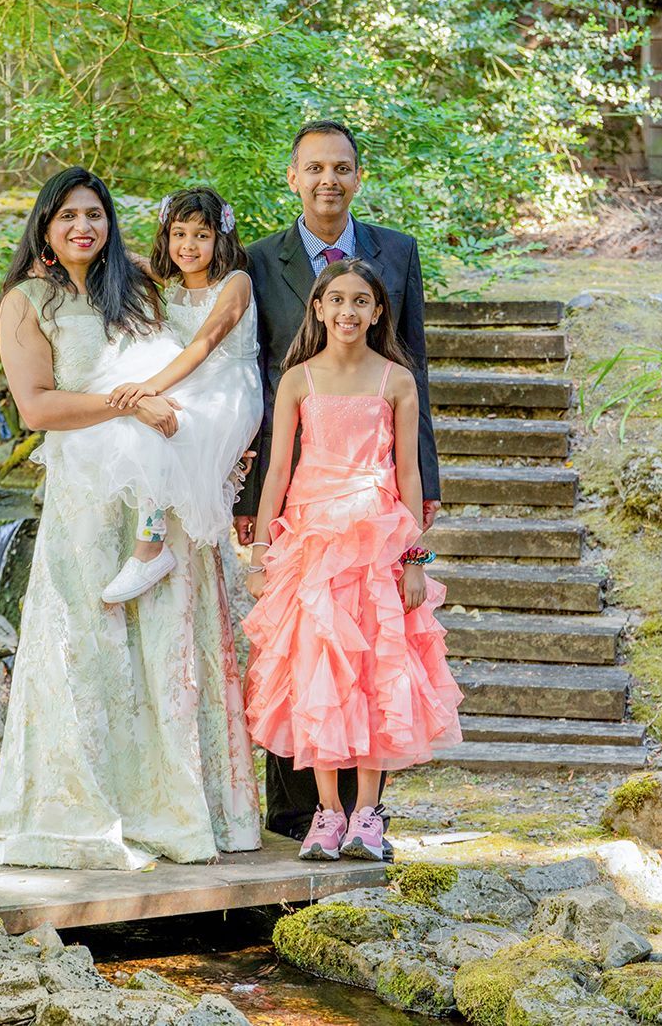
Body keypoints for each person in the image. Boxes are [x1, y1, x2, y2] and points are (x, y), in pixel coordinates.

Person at [0, 167, 261, 871]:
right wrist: (135, 404)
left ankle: (178, 814)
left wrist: (221, 442)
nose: (84, 227)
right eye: (69, 215)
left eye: (95, 215)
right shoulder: (26, 301)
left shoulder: (136, 285)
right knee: (88, 640)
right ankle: (85, 810)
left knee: (167, 646)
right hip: (85, 498)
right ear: (45, 226)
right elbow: (38, 408)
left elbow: (195, 362)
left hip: (157, 492)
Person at [234, 118, 441, 843]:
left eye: (342, 168)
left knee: (374, 650)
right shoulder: (259, 260)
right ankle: (301, 819)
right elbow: (251, 377)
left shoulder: (399, 254)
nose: (329, 180)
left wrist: (425, 497)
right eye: (314, 168)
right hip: (301, 501)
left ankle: (368, 816)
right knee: (303, 651)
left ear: (358, 175)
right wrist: (251, 499)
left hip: (376, 505)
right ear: (293, 176)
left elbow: (413, 367)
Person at [242, 259, 462, 861]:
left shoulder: (396, 380)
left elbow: (411, 472)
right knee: (319, 672)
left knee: (373, 672)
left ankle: (369, 813)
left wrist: (415, 557)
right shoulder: (297, 381)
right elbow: (278, 473)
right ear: (317, 308)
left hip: (376, 543)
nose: (347, 311)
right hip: (312, 546)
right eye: (335, 300)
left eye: (360, 301)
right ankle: (327, 814)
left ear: (377, 311)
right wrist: (262, 550)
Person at [55, 185, 263, 604]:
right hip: (187, 378)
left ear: (220, 239)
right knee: (124, 418)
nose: (188, 245)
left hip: (228, 386)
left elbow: (204, 345)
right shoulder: (170, 282)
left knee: (164, 427)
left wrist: (148, 387)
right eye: (179, 233)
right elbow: (123, 259)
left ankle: (149, 548)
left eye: (202, 236)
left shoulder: (235, 283)